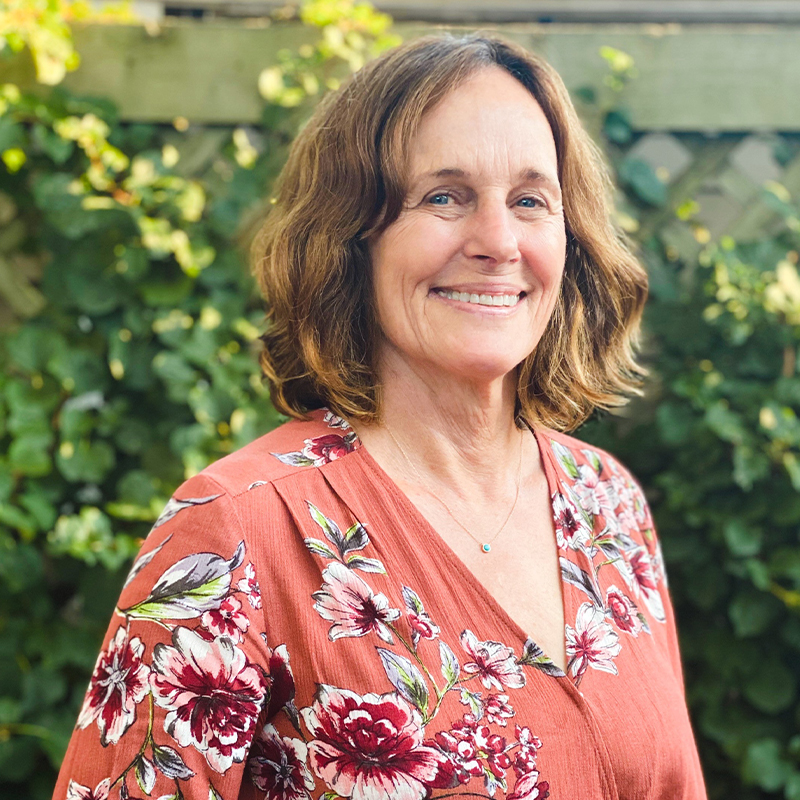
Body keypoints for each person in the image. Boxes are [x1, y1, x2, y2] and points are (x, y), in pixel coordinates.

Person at [53, 32, 708, 800]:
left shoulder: (607, 505)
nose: (498, 242)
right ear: (350, 238)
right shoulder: (235, 534)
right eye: (444, 197)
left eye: (530, 200)